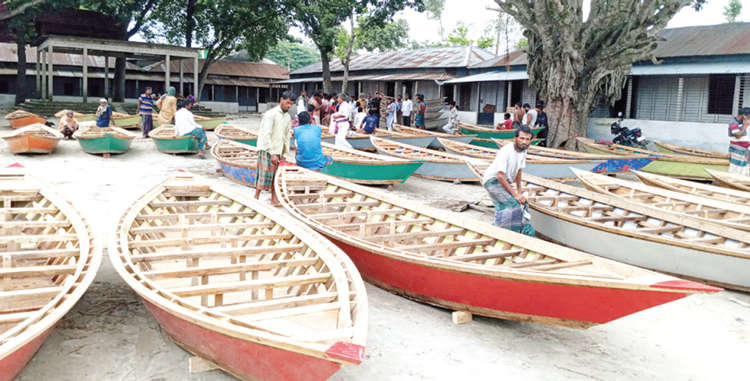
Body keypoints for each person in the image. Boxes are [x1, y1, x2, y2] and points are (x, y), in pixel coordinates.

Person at [481, 123, 535, 236]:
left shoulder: (523, 151)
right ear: (515, 138)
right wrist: (515, 194)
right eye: (521, 138)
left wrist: (519, 191)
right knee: (512, 205)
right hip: (492, 180)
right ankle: (497, 232)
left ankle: (506, 231)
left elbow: (519, 171)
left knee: (513, 206)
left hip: (504, 181)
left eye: (527, 139)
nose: (524, 142)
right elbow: (500, 176)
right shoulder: (505, 151)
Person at [255, 91, 294, 206]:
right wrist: (271, 152)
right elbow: (266, 134)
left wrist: (285, 153)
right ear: (281, 100)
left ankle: (274, 199)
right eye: (287, 102)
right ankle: (256, 197)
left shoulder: (287, 117)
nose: (289, 106)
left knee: (276, 177)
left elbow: (287, 135)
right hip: (267, 148)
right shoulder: (270, 114)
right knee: (264, 174)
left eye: (291, 104)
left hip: (279, 149)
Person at [729, 107, 750, 176]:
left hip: (743, 150)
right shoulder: (734, 123)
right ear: (744, 115)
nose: (748, 120)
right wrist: (745, 126)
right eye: (748, 117)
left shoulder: (741, 123)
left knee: (744, 168)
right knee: (736, 169)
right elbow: (737, 136)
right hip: (737, 150)